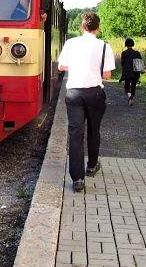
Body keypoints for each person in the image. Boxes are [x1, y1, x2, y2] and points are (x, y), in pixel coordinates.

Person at [57, 12, 115, 192]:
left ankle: (77, 179)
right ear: (98, 28)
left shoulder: (71, 43)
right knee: (93, 130)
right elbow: (107, 75)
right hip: (95, 93)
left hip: (74, 93)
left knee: (75, 134)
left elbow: (61, 66)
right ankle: (91, 165)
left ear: (82, 27)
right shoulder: (104, 46)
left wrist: (77, 66)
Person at [120, 38, 142, 106]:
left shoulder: (124, 53)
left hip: (127, 72)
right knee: (133, 85)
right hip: (135, 72)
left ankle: (129, 96)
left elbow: (122, 63)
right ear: (133, 44)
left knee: (127, 85)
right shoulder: (137, 53)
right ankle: (132, 97)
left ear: (126, 45)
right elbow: (140, 63)